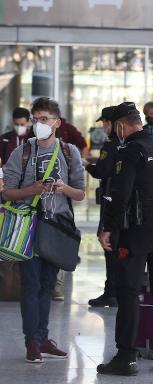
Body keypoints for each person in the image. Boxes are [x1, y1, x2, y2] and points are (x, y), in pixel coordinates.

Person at [97, 102, 153, 376]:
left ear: (121, 126)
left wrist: (108, 227)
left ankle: (126, 356)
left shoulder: (131, 151)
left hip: (137, 231)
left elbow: (120, 195)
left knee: (129, 291)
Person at [2, 97, 85, 363]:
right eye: (36, 119)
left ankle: (43, 336)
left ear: (57, 123)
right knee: (31, 284)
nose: (39, 124)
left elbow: (81, 193)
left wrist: (64, 189)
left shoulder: (70, 152)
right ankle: (32, 342)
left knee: (49, 286)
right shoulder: (22, 152)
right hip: (29, 227)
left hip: (57, 228)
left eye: (45, 119)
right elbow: (7, 194)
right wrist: (33, 189)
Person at [86, 106, 120, 307]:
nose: (104, 127)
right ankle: (118, 291)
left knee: (109, 245)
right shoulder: (132, 143)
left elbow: (102, 171)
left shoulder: (111, 143)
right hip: (127, 203)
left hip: (110, 200)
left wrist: (87, 165)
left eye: (105, 123)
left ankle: (111, 292)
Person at [52, 115, 89, 301]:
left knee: (61, 241)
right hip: (38, 205)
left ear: (57, 120)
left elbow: (83, 144)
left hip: (64, 202)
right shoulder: (30, 144)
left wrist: (80, 161)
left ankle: (57, 286)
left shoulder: (68, 136)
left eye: (45, 118)